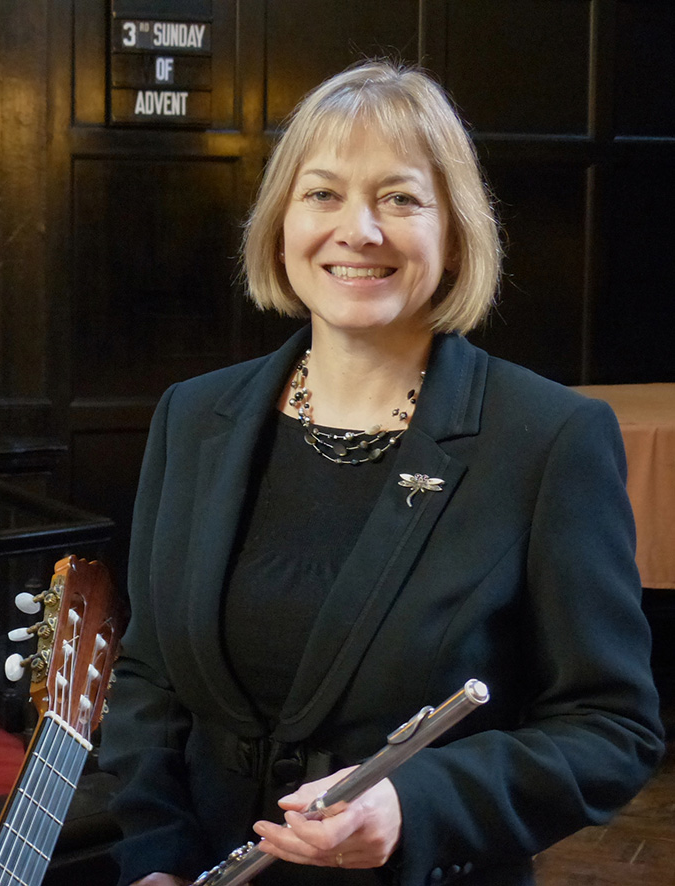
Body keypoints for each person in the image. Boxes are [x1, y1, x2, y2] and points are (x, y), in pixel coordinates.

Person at [98, 60, 665, 886]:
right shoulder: (193, 415)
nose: (357, 230)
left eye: (399, 199)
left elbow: (610, 730)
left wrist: (412, 805)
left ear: (454, 231)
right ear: (280, 223)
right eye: (322, 194)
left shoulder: (548, 438)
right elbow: (149, 679)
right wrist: (152, 860)